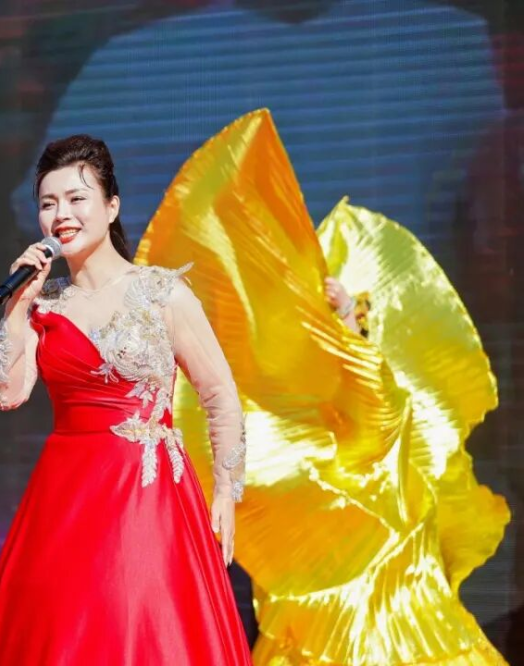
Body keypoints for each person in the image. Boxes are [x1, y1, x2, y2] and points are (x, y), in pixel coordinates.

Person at [135, 108, 509, 664]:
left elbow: (379, 406)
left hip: (390, 585)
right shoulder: (306, 420)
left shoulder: (383, 417)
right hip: (328, 585)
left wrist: (349, 328)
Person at [0, 135, 252, 663]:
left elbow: (220, 395)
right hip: (65, 498)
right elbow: (4, 394)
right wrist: (16, 308)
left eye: (76, 199)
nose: (61, 214)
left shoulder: (161, 293)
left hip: (147, 495)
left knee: (140, 621)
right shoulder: (43, 305)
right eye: (48, 203)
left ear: (111, 206)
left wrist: (225, 491)